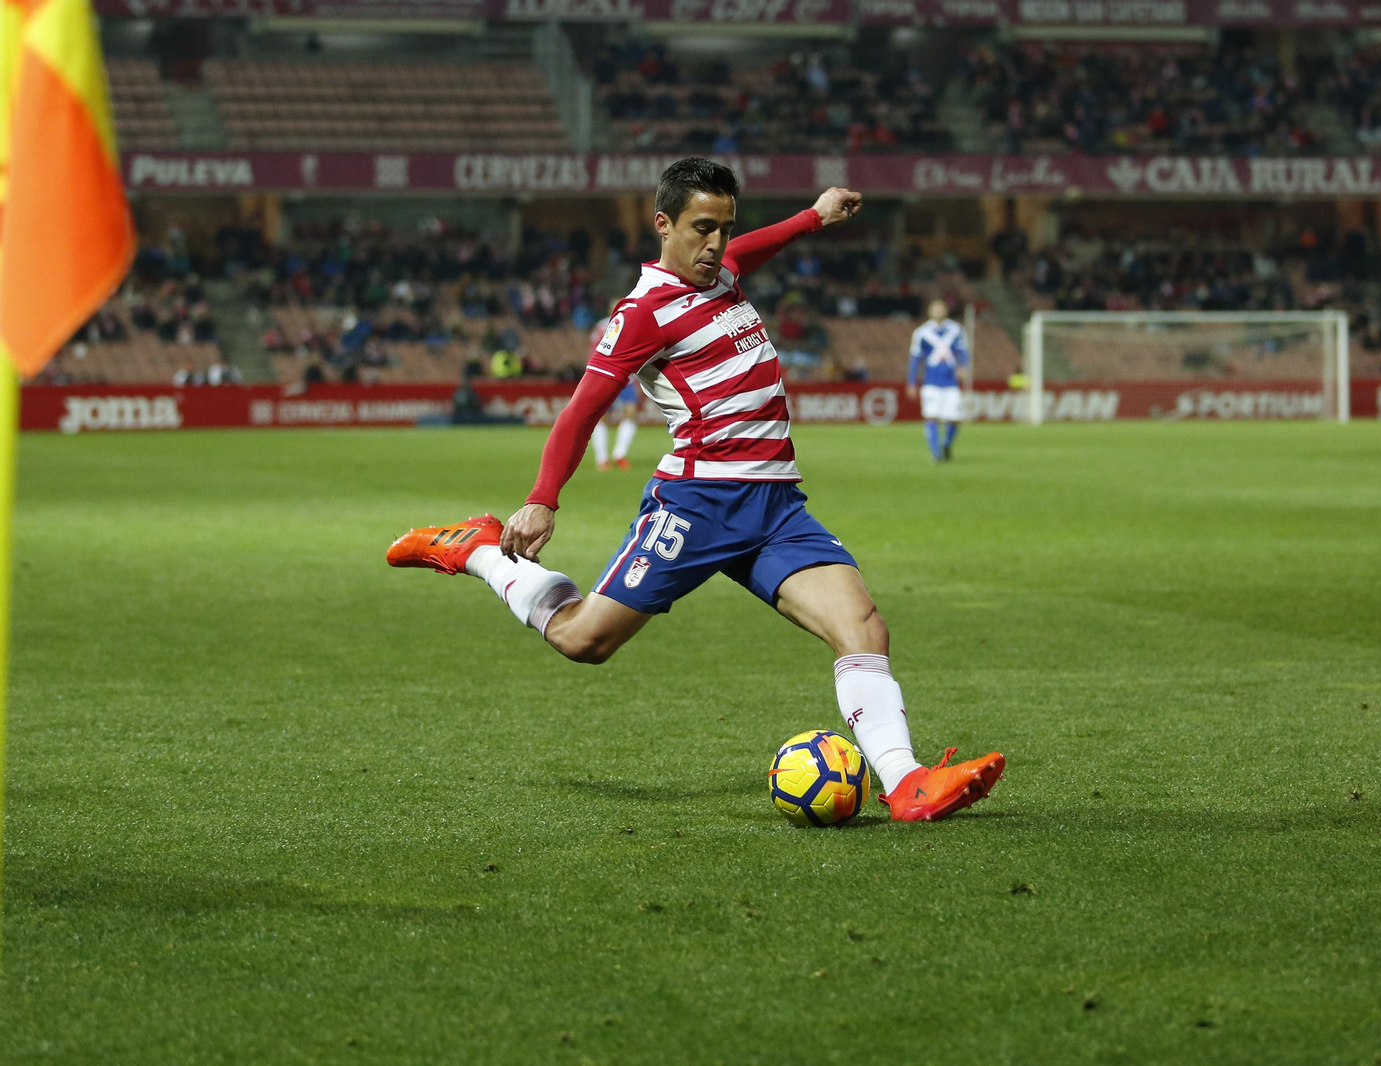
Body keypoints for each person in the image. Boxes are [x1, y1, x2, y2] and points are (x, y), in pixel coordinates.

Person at [388, 158, 1003, 823]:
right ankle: (479, 549)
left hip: (774, 507)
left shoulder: (725, 271)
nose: (715, 244)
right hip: (698, 506)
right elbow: (581, 409)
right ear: (663, 225)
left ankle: (908, 783)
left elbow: (747, 250)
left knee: (863, 627)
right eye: (701, 228)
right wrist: (543, 496)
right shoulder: (642, 314)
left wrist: (813, 218)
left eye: (724, 228)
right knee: (583, 640)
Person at [906, 299, 970, 462]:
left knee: (954, 418)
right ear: (929, 312)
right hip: (931, 382)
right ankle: (936, 453)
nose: (939, 311)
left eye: (941, 308)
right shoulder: (922, 332)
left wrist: (963, 366)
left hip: (950, 382)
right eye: (935, 309)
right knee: (931, 416)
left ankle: (946, 444)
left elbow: (963, 351)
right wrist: (911, 381)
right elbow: (915, 358)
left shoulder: (955, 330)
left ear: (946, 311)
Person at [586, 316, 641, 472]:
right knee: (602, 416)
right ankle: (602, 458)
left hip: (627, 377)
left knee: (631, 411)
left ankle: (619, 454)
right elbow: (594, 349)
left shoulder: (635, 322)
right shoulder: (602, 326)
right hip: (606, 374)